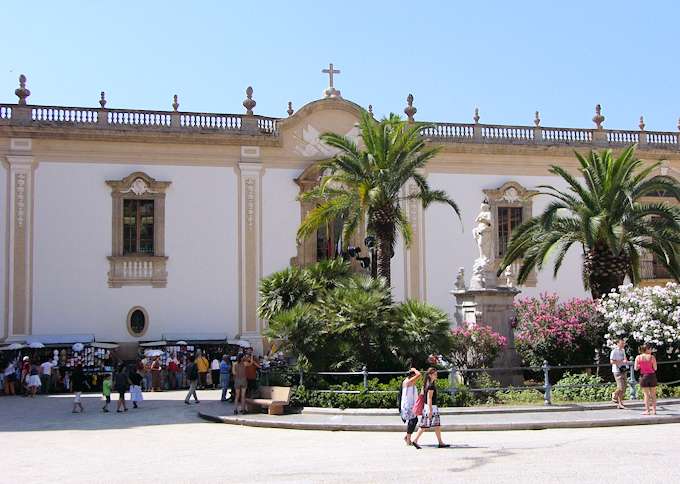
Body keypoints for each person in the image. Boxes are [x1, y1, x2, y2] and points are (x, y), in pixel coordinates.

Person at [411, 368, 449, 449]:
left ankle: (440, 442)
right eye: (435, 374)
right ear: (430, 375)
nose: (436, 375)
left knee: (436, 425)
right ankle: (415, 440)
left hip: (427, 407)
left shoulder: (426, 384)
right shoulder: (431, 386)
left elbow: (422, 395)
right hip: (432, 408)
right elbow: (429, 398)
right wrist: (431, 410)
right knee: (425, 426)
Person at [399, 368, 421, 446]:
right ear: (412, 375)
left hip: (410, 405)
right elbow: (419, 375)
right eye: (414, 375)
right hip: (408, 405)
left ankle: (407, 437)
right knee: (413, 420)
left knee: (413, 420)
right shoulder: (408, 382)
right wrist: (415, 369)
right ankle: (408, 439)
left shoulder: (408, 381)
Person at [635, 344, 658, 415]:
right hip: (652, 376)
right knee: (653, 394)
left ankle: (647, 411)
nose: (651, 350)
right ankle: (654, 410)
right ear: (647, 349)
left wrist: (641, 365)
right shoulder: (652, 357)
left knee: (646, 395)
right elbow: (655, 368)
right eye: (650, 349)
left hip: (643, 376)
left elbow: (636, 368)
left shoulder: (638, 357)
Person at [610, 338, 629, 409]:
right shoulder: (614, 351)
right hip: (617, 370)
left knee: (624, 387)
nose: (623, 345)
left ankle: (620, 403)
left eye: (623, 343)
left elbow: (624, 359)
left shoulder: (623, 350)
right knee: (620, 387)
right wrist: (620, 362)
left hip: (623, 370)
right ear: (617, 343)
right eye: (621, 343)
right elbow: (612, 361)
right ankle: (615, 396)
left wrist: (625, 361)